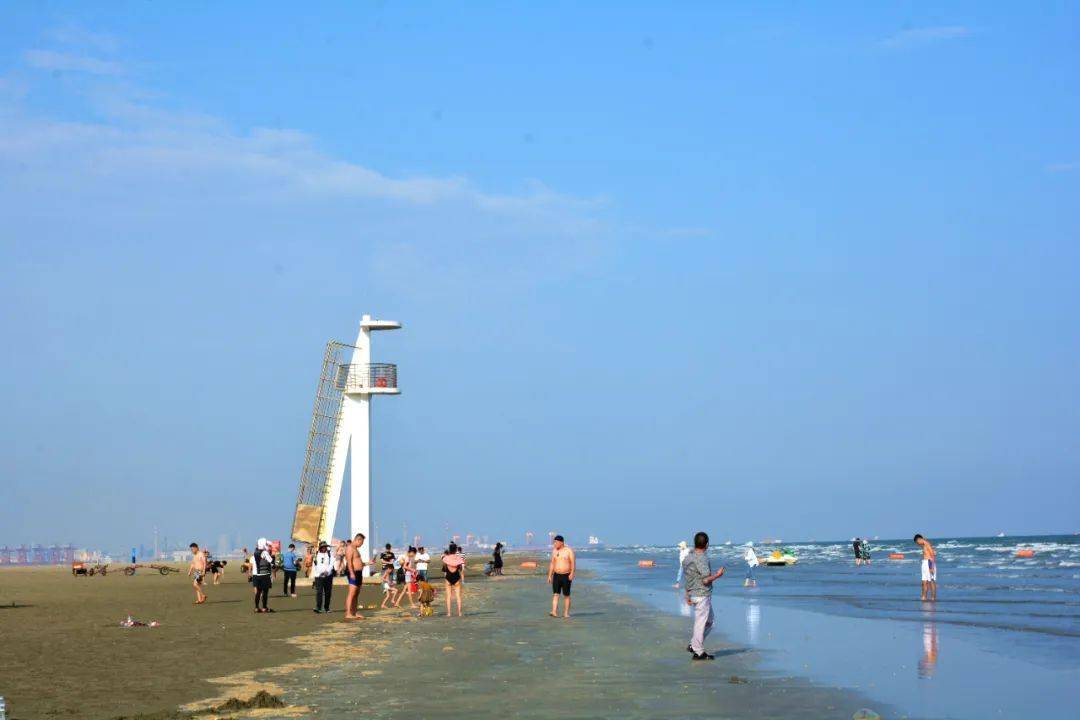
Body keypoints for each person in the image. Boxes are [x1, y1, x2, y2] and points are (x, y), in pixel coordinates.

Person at [682, 531, 726, 660]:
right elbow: (705, 580)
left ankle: (693, 645)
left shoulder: (687, 558)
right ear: (706, 544)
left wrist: (687, 594)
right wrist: (718, 575)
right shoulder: (702, 558)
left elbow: (688, 577)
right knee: (701, 622)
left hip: (694, 594)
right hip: (701, 594)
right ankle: (699, 651)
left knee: (710, 621)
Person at [547, 535, 576, 618]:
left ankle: (566, 613)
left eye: (555, 542)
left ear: (561, 542)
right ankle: (554, 611)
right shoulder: (554, 551)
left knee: (566, 595)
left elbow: (573, 563)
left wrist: (572, 573)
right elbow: (552, 563)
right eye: (554, 542)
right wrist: (549, 575)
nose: (554, 544)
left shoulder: (569, 551)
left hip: (566, 575)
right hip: (556, 575)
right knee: (556, 594)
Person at [344, 532, 369, 620]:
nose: (361, 545)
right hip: (353, 572)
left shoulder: (356, 549)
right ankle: (348, 613)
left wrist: (368, 563)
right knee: (351, 593)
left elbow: (359, 562)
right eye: (361, 543)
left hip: (359, 573)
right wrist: (351, 573)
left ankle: (354, 612)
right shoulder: (350, 548)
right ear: (358, 540)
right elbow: (349, 562)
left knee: (356, 593)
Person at [442, 543, 466, 617]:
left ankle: (449, 613)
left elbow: (444, 565)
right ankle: (460, 613)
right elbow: (461, 566)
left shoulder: (446, 558)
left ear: (449, 549)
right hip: (456, 576)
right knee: (458, 596)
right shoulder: (459, 558)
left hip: (448, 577)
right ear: (456, 550)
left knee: (448, 596)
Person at [251, 538, 274, 613]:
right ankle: (264, 607)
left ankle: (256, 607)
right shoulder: (264, 552)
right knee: (265, 592)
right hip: (265, 574)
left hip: (257, 574)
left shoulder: (255, 552)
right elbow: (271, 561)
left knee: (258, 592)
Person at [312, 540, 335, 613]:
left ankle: (327, 608)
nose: (324, 548)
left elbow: (331, 564)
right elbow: (315, 566)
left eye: (325, 547)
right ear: (320, 548)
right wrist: (319, 573)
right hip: (318, 576)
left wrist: (327, 571)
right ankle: (318, 608)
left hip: (328, 576)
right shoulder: (316, 555)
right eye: (323, 547)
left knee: (328, 592)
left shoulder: (330, 554)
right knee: (319, 592)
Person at [915, 534, 937, 601]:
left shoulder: (927, 544)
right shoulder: (924, 544)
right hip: (925, 563)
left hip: (929, 563)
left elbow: (932, 555)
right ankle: (923, 597)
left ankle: (933, 598)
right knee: (924, 582)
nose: (918, 544)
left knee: (931, 581)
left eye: (917, 542)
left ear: (919, 539)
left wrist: (931, 567)